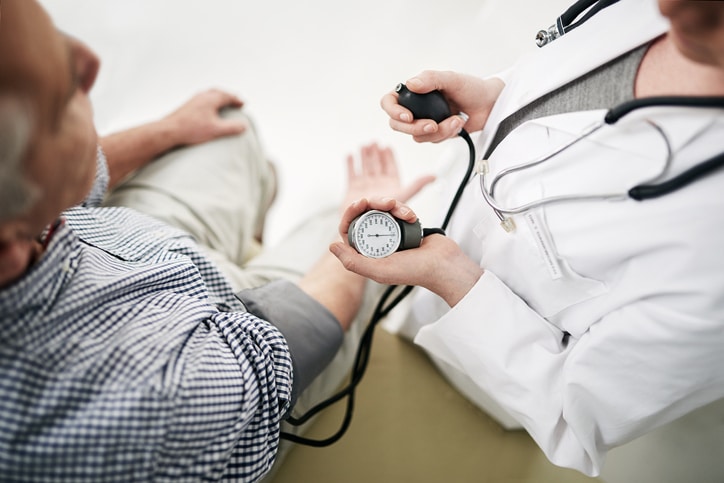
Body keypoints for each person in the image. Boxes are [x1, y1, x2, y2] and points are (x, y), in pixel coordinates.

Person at [0, 1, 433, 481]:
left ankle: (251, 226)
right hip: (246, 340)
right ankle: (287, 239)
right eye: (58, 104)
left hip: (136, 249)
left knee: (229, 122)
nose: (89, 62)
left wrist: (171, 130)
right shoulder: (143, 397)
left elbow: (48, 176)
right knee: (374, 230)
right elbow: (304, 328)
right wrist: (364, 219)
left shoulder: (16, 222)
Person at [330, 0, 724, 478]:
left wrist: (450, 277)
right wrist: (500, 98)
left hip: (481, 386)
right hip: (450, 219)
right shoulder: (660, 10)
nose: (672, 8)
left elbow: (572, 415)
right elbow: (576, 82)